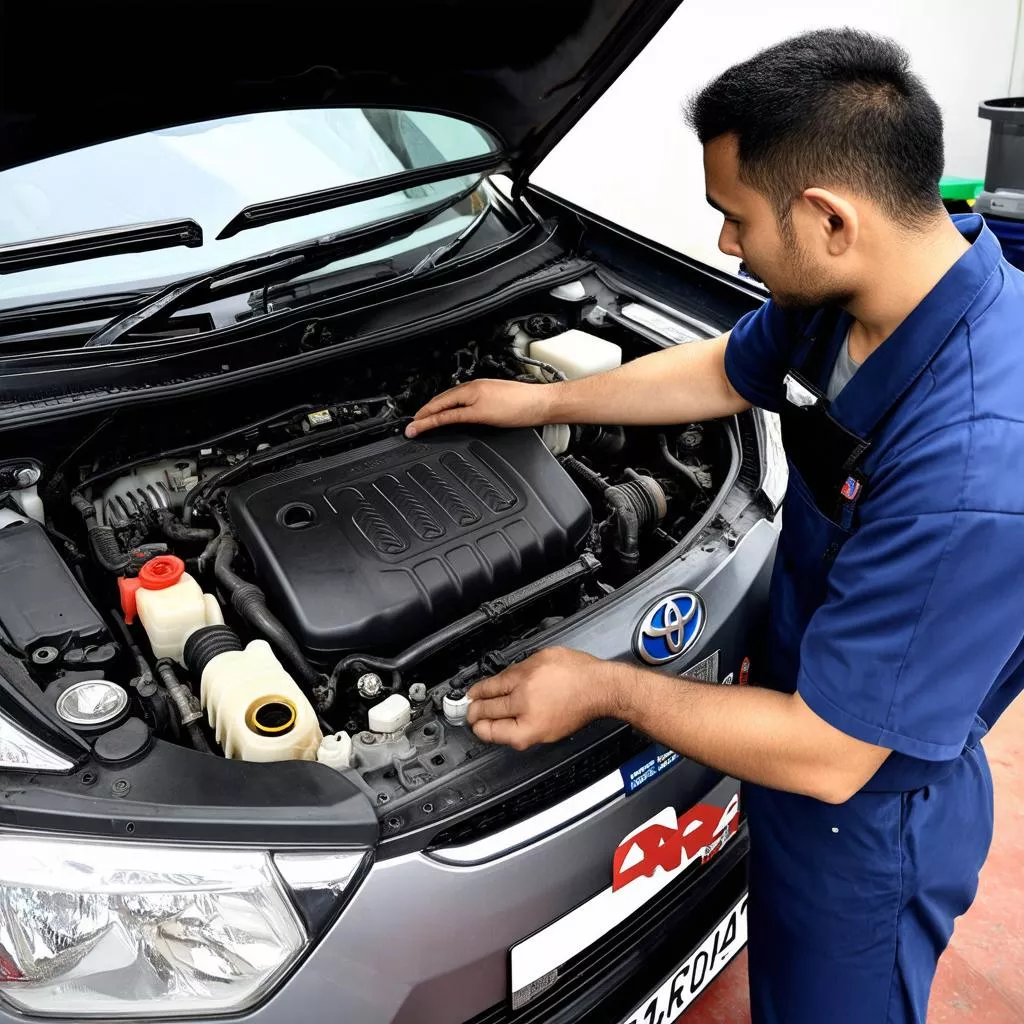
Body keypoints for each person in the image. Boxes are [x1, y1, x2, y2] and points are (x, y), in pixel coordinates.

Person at [404, 28, 1024, 1024]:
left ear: (827, 217)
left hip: (860, 817)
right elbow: (722, 371)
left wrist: (605, 684)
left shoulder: (974, 467)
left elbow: (828, 752)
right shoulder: (860, 292)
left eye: (733, 219)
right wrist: (540, 403)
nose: (725, 247)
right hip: (795, 716)